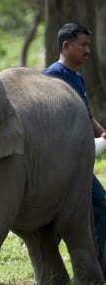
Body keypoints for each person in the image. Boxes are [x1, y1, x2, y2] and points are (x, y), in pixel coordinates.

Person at [43, 22, 106, 278]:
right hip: (58, 162)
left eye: (89, 45)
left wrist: (102, 132)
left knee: (97, 208)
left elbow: (86, 116)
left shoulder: (77, 77)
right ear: (66, 46)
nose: (87, 51)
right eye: (83, 45)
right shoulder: (51, 77)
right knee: (86, 209)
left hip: (77, 163)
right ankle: (47, 270)